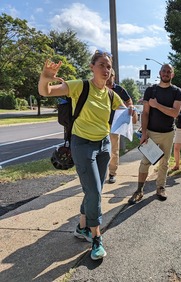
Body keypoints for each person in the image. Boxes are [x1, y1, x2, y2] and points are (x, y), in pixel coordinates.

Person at [38, 50, 124, 260]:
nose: (106, 69)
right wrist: (46, 76)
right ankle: (96, 238)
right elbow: (46, 92)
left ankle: (82, 227)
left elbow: (124, 107)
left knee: (94, 189)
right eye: (102, 65)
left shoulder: (111, 94)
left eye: (109, 66)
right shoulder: (79, 86)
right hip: (82, 144)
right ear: (92, 67)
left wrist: (131, 111)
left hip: (103, 145)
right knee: (94, 191)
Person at [128, 64, 181, 204]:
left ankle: (160, 187)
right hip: (151, 133)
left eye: (169, 71)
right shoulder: (151, 90)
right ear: (160, 73)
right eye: (164, 71)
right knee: (145, 162)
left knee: (165, 162)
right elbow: (145, 113)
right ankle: (139, 190)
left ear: (172, 74)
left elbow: (175, 113)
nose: (166, 73)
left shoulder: (177, 92)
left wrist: (157, 105)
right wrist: (144, 132)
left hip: (168, 133)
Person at [106, 69, 136, 184]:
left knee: (114, 150)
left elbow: (129, 101)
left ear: (114, 76)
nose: (108, 77)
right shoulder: (98, 87)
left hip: (115, 125)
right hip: (99, 124)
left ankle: (112, 173)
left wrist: (130, 108)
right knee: (100, 150)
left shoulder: (119, 89)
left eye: (111, 75)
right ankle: (100, 172)